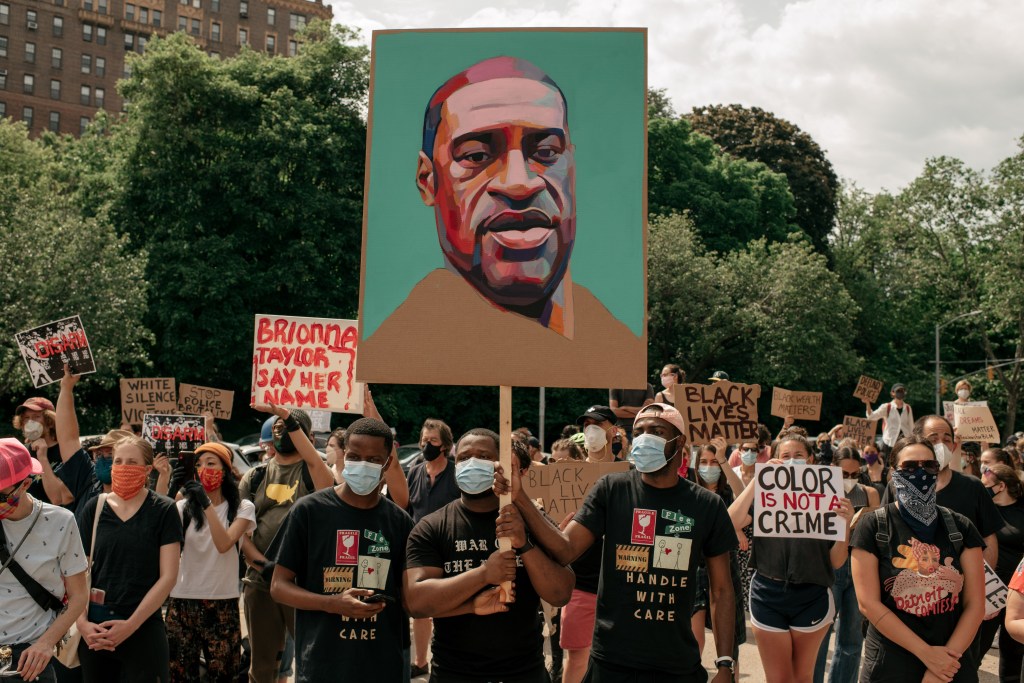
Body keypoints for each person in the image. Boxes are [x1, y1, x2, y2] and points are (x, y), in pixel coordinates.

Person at [360, 56, 645, 387]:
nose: (519, 183)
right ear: (428, 181)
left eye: (548, 152)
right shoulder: (398, 347)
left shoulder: (616, 347)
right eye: (477, 156)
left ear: (572, 168)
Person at [498, 403, 739, 682]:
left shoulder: (707, 505)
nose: (646, 437)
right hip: (611, 661)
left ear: (679, 441)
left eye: (657, 431)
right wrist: (520, 497)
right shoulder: (611, 489)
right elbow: (566, 549)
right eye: (640, 431)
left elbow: (721, 590)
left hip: (676, 663)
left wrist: (725, 664)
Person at [405, 430, 574, 682]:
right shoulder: (432, 527)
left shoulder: (530, 521)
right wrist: (484, 574)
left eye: (484, 456)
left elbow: (561, 594)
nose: (472, 463)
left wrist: (524, 544)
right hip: (454, 674)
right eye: (464, 458)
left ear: (501, 465)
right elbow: (416, 603)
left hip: (524, 673)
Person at [270, 418, 414, 682]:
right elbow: (278, 586)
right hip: (321, 666)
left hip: (382, 666)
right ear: (344, 456)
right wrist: (331, 604)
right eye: (355, 456)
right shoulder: (309, 511)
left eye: (373, 459)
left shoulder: (399, 522)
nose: (363, 465)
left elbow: (412, 597)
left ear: (388, 463)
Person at [851, 435, 985, 683]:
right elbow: (868, 604)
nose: (920, 473)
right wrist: (927, 655)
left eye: (929, 466)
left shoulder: (961, 526)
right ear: (894, 472)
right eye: (910, 467)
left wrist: (941, 666)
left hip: (950, 663)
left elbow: (976, 605)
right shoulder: (873, 526)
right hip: (891, 663)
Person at [728, 431, 855, 683]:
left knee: (802, 677)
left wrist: (846, 526)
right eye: (784, 456)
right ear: (774, 460)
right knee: (778, 679)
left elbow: (837, 562)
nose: (791, 460)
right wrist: (758, 480)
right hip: (767, 594)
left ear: (810, 460)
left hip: (812, 596)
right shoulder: (765, 494)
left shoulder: (828, 499)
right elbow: (731, 521)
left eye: (798, 455)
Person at [238, 405, 335, 683]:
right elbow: (241, 533)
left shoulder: (313, 472)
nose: (283, 432)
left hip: (303, 584)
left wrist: (290, 419)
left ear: (306, 435)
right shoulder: (254, 477)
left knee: (312, 660)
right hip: (259, 581)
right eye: (278, 427)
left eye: (290, 427)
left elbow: (320, 470)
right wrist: (264, 565)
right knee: (262, 666)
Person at [75, 435, 182, 682]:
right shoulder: (95, 507)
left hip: (143, 630)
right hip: (96, 633)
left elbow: (168, 577)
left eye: (131, 462)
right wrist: (82, 624)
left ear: (146, 469)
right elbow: (76, 573)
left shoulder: (164, 510)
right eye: (118, 461)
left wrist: (131, 625)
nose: (123, 467)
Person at [166, 442, 257, 683]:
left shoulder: (242, 508)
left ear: (226, 470)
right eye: (198, 464)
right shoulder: (182, 508)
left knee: (223, 675)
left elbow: (224, 543)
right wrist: (171, 486)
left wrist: (206, 504)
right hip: (183, 602)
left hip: (222, 604)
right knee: (180, 676)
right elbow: (156, 535)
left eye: (211, 463)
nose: (204, 469)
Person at [0, 438, 89, 683]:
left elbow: (79, 596)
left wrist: (46, 644)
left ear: (26, 484)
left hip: (29, 658)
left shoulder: (61, 522)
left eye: (0, 495)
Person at [813, 446, 880, 683]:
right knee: (819, 635)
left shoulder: (869, 493)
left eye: (854, 474)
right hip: (830, 566)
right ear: (833, 469)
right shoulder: (820, 493)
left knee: (852, 638)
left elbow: (876, 533)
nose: (849, 480)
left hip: (859, 567)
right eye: (844, 474)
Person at [405, 418, 461, 679]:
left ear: (446, 446)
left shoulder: (456, 473)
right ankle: (420, 661)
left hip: (450, 549)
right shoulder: (414, 472)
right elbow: (407, 509)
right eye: (424, 440)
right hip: (420, 552)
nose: (426, 445)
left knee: (449, 608)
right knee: (420, 609)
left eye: (433, 441)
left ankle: (448, 659)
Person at [691, 440, 746, 676]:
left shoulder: (728, 493)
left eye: (713, 462)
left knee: (728, 641)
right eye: (703, 462)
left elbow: (745, 495)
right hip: (694, 569)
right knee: (692, 639)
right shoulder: (687, 491)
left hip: (725, 567)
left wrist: (724, 460)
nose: (708, 466)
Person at [977, 464, 1024, 681]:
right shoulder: (982, 510)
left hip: (1017, 593)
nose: (981, 488)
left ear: (1001, 486)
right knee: (975, 648)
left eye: (985, 485)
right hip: (987, 591)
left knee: (1012, 653)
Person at [865, 383, 914, 460]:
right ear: (892, 393)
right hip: (889, 442)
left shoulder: (908, 408)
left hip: (904, 442)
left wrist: (912, 441)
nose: (900, 392)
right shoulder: (887, 407)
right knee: (888, 464)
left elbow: (911, 426)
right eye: (898, 391)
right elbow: (871, 417)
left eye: (902, 390)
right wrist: (867, 403)